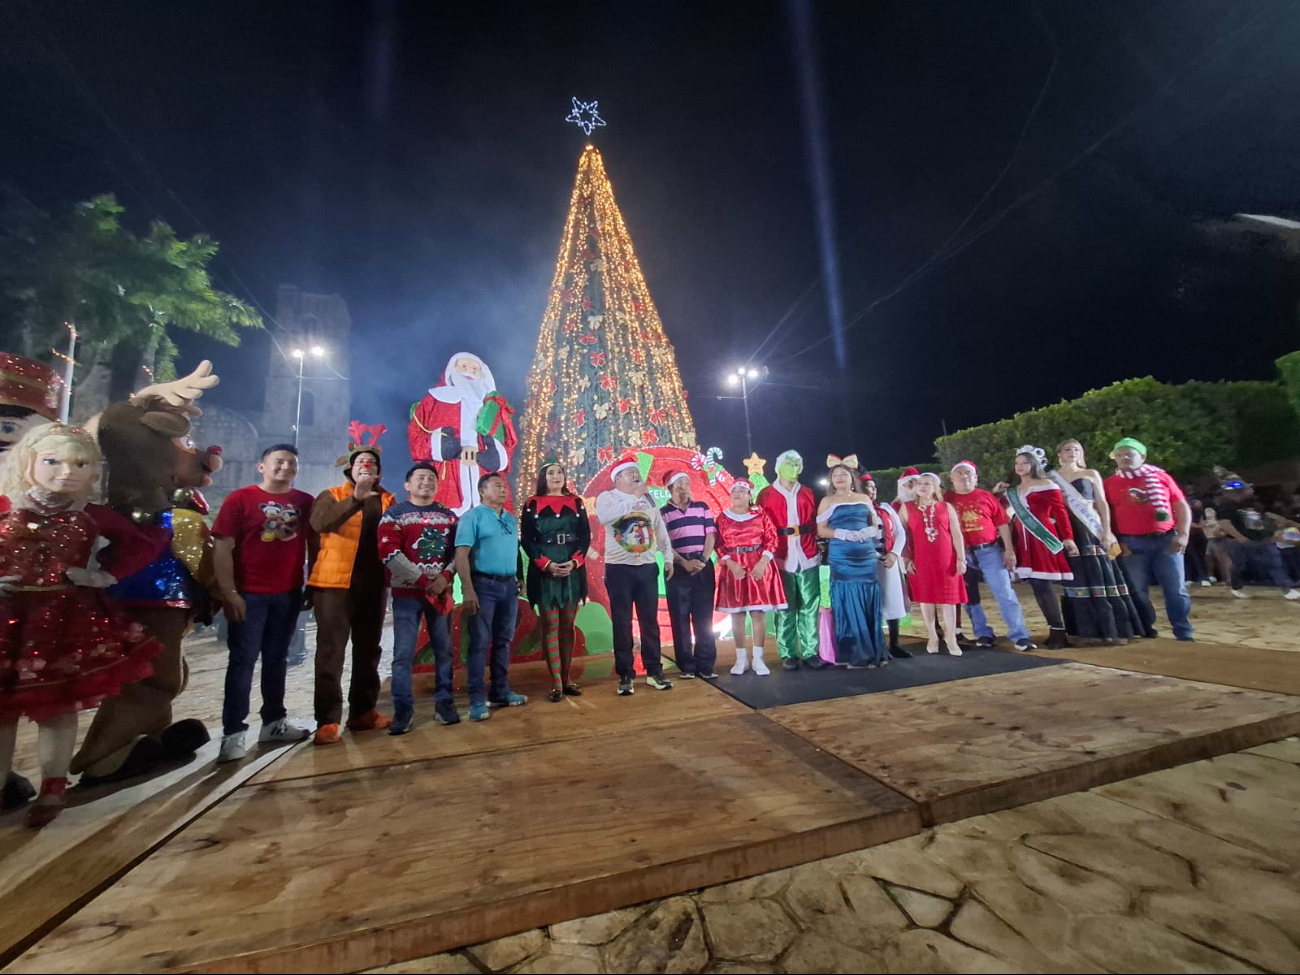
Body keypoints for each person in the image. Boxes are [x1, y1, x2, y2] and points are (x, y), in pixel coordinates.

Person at [0, 423, 166, 826]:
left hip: (63, 619)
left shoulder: (92, 514)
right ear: (30, 462)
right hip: (6, 621)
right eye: (52, 461)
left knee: (57, 708)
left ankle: (52, 787)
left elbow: (147, 541)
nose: (66, 471)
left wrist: (103, 574)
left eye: (79, 463)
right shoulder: (6, 505)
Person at [212, 444, 315, 763]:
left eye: (292, 463)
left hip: (287, 593)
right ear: (262, 467)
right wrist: (229, 593)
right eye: (279, 462)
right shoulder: (240, 499)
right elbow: (222, 548)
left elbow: (316, 545)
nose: (285, 467)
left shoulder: (304, 502)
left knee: (278, 658)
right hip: (249, 595)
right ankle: (233, 733)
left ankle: (273, 722)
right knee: (242, 661)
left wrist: (310, 584)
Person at [308, 442, 396, 744]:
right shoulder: (331, 496)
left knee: (369, 650)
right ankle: (328, 719)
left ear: (379, 470)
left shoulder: (388, 501)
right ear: (350, 468)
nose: (366, 465)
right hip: (334, 585)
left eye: (371, 461)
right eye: (360, 461)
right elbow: (320, 523)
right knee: (331, 651)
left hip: (372, 585)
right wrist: (356, 497)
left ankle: (363, 711)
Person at [376, 462, 459, 734]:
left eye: (431, 478)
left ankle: (444, 705)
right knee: (403, 654)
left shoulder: (448, 516)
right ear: (407, 484)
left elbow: (457, 553)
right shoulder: (394, 515)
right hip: (407, 595)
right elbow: (389, 554)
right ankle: (403, 711)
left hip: (440, 594)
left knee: (444, 651)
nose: (427, 482)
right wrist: (425, 581)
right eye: (420, 478)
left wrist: (444, 578)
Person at [596, 457, 676, 696]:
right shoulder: (608, 498)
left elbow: (659, 528)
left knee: (649, 621)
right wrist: (634, 496)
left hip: (647, 566)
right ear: (617, 478)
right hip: (619, 568)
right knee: (622, 622)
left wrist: (668, 557)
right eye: (630, 472)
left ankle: (654, 671)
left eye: (636, 472)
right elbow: (606, 517)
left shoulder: (648, 498)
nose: (635, 476)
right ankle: (626, 675)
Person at [1103, 437, 1193, 641]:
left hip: (1166, 541)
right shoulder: (1109, 484)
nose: (1124, 457)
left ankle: (1183, 631)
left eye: (1129, 453)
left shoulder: (1162, 477)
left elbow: (1181, 506)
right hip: (1131, 544)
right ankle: (1146, 627)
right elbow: (1105, 515)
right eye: (1119, 454)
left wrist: (1183, 534)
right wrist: (1117, 543)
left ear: (1142, 456)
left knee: (1176, 589)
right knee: (1136, 590)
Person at [1052, 440, 1142, 645]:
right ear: (1059, 454)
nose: (1072, 453)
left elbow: (1102, 503)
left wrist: (1108, 531)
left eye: (1076, 449)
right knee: (1078, 577)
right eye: (1067, 449)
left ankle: (1114, 630)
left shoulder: (1091, 474)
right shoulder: (1051, 478)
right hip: (1067, 530)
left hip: (1091, 528)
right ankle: (1083, 631)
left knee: (1101, 574)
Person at [455, 472, 529, 720]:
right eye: (497, 486)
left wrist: (520, 576)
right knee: (479, 642)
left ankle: (501, 690)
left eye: (504, 486)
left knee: (503, 641)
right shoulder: (471, 518)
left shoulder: (509, 518)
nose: (503, 490)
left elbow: (514, 550)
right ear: (482, 491)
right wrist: (467, 588)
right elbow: (462, 554)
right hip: (483, 585)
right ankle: (476, 699)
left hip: (508, 587)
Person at [408, 352, 518, 516]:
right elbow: (415, 436)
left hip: (485, 477)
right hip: (447, 478)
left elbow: (509, 440)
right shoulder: (434, 400)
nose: (469, 372)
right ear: (452, 370)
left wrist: (496, 456)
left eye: (475, 369)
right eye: (464, 366)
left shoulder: (494, 406)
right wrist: (440, 446)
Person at [944, 460, 1034, 651]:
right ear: (952, 479)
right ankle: (983, 633)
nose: (964, 476)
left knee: (1004, 592)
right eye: (959, 473)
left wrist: (1009, 550)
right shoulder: (945, 499)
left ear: (976, 478)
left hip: (989, 551)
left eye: (968, 473)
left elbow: (1002, 523)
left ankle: (1019, 635)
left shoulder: (986, 496)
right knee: (970, 597)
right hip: (961, 554)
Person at [521, 457, 590, 702]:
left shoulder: (576, 502)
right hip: (545, 569)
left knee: (567, 626)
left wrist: (573, 563)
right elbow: (527, 539)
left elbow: (585, 537)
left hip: (572, 568)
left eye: (559, 472)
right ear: (543, 477)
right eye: (551, 472)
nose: (556, 476)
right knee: (550, 625)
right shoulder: (531, 503)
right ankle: (556, 683)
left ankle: (568, 677)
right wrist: (546, 564)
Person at [755, 450, 824, 670]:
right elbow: (761, 527)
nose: (793, 468)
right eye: (789, 463)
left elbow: (814, 521)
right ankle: (788, 653)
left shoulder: (808, 493)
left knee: (810, 606)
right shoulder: (766, 494)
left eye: (797, 464)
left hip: (807, 553)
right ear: (778, 466)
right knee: (784, 607)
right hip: (780, 557)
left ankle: (811, 651)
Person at [1005, 446, 1079, 650]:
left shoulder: (1046, 484)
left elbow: (1060, 512)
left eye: (1025, 462)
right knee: (1038, 586)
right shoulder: (1013, 490)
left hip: (1043, 538)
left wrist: (1068, 538)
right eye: (1017, 463)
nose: (1020, 466)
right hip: (1023, 541)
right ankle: (1054, 628)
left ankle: (1059, 631)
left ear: (1034, 464)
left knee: (1045, 585)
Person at [816, 457, 887, 667]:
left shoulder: (864, 498)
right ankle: (854, 650)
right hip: (842, 554)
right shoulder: (827, 501)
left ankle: (874, 649)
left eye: (843, 474)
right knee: (847, 598)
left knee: (867, 597)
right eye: (835, 475)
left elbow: (875, 524)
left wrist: (868, 531)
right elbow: (821, 529)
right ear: (831, 480)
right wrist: (842, 533)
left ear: (852, 478)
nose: (839, 478)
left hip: (865, 554)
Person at [716, 479, 785, 675]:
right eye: (734, 491)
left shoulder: (760, 514)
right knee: (737, 614)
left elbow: (772, 539)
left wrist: (763, 563)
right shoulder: (722, 518)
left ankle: (758, 659)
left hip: (757, 565)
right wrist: (731, 564)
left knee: (757, 613)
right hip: (735, 567)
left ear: (749, 495)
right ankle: (741, 659)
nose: (737, 494)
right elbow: (719, 544)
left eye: (742, 491)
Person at [659, 470, 719, 680]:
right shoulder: (663, 512)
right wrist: (684, 563)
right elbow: (664, 543)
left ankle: (706, 664)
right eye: (680, 483)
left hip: (703, 566)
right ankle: (686, 665)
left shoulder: (702, 507)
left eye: (687, 482)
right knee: (680, 617)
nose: (685, 486)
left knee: (704, 617)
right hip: (678, 568)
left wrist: (702, 560)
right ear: (670, 488)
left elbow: (711, 535)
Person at [900, 473, 965, 655]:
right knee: (926, 599)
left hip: (946, 559)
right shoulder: (907, 508)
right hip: (920, 559)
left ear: (936, 488)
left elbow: (957, 534)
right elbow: (901, 536)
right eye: (919, 483)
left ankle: (951, 637)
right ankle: (932, 636)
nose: (922, 486)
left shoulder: (946, 507)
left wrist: (961, 558)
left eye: (927, 483)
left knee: (949, 600)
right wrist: (905, 558)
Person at [1213, 474, 1300, 601]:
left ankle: (1286, 589)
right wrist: (1240, 538)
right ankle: (1236, 588)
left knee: (1274, 561)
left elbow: (1260, 516)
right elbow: (1225, 524)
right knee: (1239, 566)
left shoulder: (1250, 502)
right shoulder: (1225, 506)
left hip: (1259, 539)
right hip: (1237, 542)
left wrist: (1272, 526)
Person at [862, 473, 910, 658]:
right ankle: (878, 644)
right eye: (868, 487)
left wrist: (894, 554)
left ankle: (895, 644)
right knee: (875, 602)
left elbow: (900, 533)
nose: (873, 491)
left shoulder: (886, 508)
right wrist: (874, 555)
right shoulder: (857, 509)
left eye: (874, 487)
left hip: (889, 560)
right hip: (869, 560)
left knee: (893, 599)